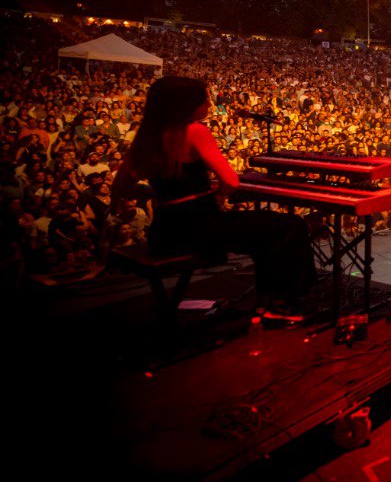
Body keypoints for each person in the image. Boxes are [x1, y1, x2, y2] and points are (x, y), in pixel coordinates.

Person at [111, 76, 316, 320]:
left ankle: (269, 299)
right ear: (186, 104)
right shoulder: (194, 131)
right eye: (204, 100)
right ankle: (282, 303)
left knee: (263, 231)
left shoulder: (147, 136)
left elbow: (120, 185)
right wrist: (219, 196)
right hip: (199, 228)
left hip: (164, 233)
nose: (209, 104)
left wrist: (127, 206)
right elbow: (230, 181)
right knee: (290, 225)